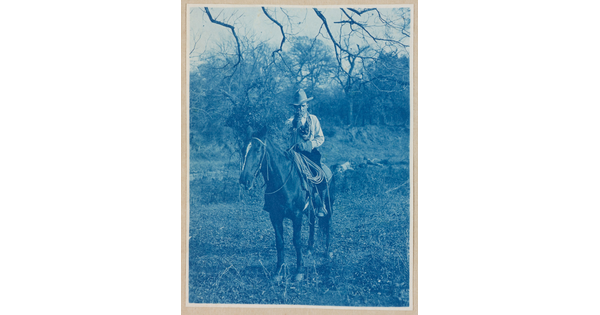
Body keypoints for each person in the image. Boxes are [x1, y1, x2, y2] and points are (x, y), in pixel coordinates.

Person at [285, 89, 328, 217]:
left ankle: (320, 203)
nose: (300, 109)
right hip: (294, 153)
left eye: (302, 106)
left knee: (318, 173)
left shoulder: (313, 119)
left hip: (309, 153)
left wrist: (309, 145)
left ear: (307, 105)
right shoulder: (289, 122)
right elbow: (285, 138)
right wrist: (294, 127)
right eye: (297, 107)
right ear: (294, 107)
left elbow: (320, 138)